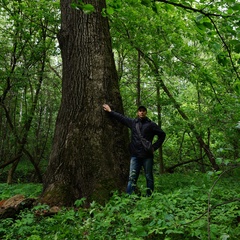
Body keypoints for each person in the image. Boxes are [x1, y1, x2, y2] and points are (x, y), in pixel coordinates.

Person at [103, 103, 166, 196]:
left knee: (149, 177)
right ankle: (129, 197)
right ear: (137, 112)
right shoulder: (133, 123)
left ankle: (149, 196)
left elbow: (162, 134)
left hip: (147, 156)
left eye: (143, 111)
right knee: (132, 177)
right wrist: (110, 111)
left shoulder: (151, 124)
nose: (142, 112)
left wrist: (154, 147)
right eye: (140, 111)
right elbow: (122, 118)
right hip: (135, 155)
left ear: (146, 112)